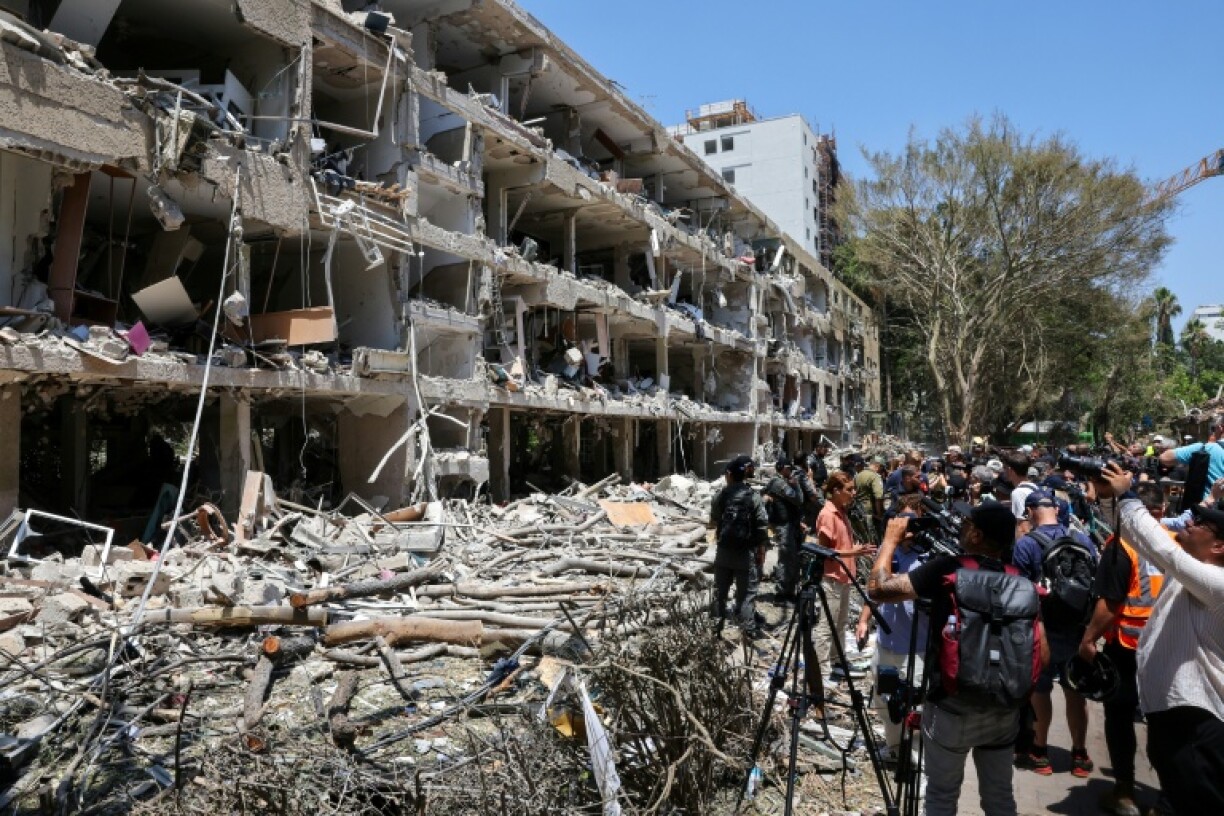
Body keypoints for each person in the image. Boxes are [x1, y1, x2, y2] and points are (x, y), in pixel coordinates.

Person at [869, 505, 1050, 816]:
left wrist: (889, 541)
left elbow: (878, 589)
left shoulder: (947, 569)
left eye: (967, 524)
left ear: (977, 534)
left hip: (951, 707)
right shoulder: (1022, 581)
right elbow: (1042, 653)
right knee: (1000, 797)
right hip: (1004, 710)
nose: (962, 528)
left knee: (941, 796)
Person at [1093, 463, 1224, 816]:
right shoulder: (1193, 567)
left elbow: (1159, 548)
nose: (1189, 524)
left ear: (1219, 546)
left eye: (1201, 525)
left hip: (1198, 720)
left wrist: (1128, 495)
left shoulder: (1216, 582)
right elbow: (1137, 540)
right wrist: (1109, 501)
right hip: (1172, 712)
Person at [1078, 482, 1166, 816]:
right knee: (1162, 721)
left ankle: (1125, 791)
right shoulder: (1176, 543)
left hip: (1127, 647)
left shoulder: (1122, 547)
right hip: (1165, 647)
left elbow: (1109, 604)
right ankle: (1166, 797)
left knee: (1119, 717)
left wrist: (1088, 639)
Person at [1011, 489, 1098, 777]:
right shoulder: (1083, 539)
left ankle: (1040, 750)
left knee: (1041, 691)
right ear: (1058, 511)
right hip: (1077, 628)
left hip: (1042, 628)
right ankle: (1080, 754)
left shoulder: (1026, 545)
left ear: (1031, 511)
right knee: (1075, 692)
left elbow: (1020, 591)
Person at [856, 493, 929, 763]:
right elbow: (873, 590)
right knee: (885, 702)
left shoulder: (930, 555)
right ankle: (896, 750)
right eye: (903, 520)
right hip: (886, 642)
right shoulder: (887, 552)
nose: (907, 528)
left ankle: (917, 761)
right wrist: (864, 619)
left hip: (917, 647)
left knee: (917, 707)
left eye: (913, 521)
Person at [814, 471, 877, 680]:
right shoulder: (827, 515)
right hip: (832, 578)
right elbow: (824, 551)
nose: (853, 493)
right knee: (826, 626)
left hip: (845, 576)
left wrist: (858, 549)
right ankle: (821, 672)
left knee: (840, 624)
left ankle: (837, 661)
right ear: (836, 491)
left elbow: (841, 545)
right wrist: (854, 552)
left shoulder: (841, 512)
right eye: (849, 489)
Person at [709, 455, 769, 639]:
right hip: (746, 554)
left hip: (724, 552)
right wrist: (761, 550)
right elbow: (762, 524)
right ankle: (748, 632)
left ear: (729, 474)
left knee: (720, 593)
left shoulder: (721, 495)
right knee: (745, 597)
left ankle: (715, 630)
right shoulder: (754, 496)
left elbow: (713, 520)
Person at [764, 456, 805, 601]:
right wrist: (796, 485)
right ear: (783, 468)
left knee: (793, 558)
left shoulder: (777, 482)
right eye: (789, 469)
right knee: (786, 559)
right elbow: (798, 499)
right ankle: (782, 594)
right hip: (784, 527)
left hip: (790, 525)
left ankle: (789, 591)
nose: (791, 472)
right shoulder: (779, 483)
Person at [1160, 416, 1224, 503]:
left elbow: (1164, 458)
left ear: (1221, 428)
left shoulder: (1204, 448)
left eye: (1214, 428)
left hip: (1206, 510)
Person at [853, 455, 885, 543]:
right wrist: (879, 514)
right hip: (871, 513)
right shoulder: (875, 477)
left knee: (864, 536)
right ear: (878, 466)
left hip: (859, 510)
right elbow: (879, 496)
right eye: (881, 468)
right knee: (874, 538)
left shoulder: (858, 475)